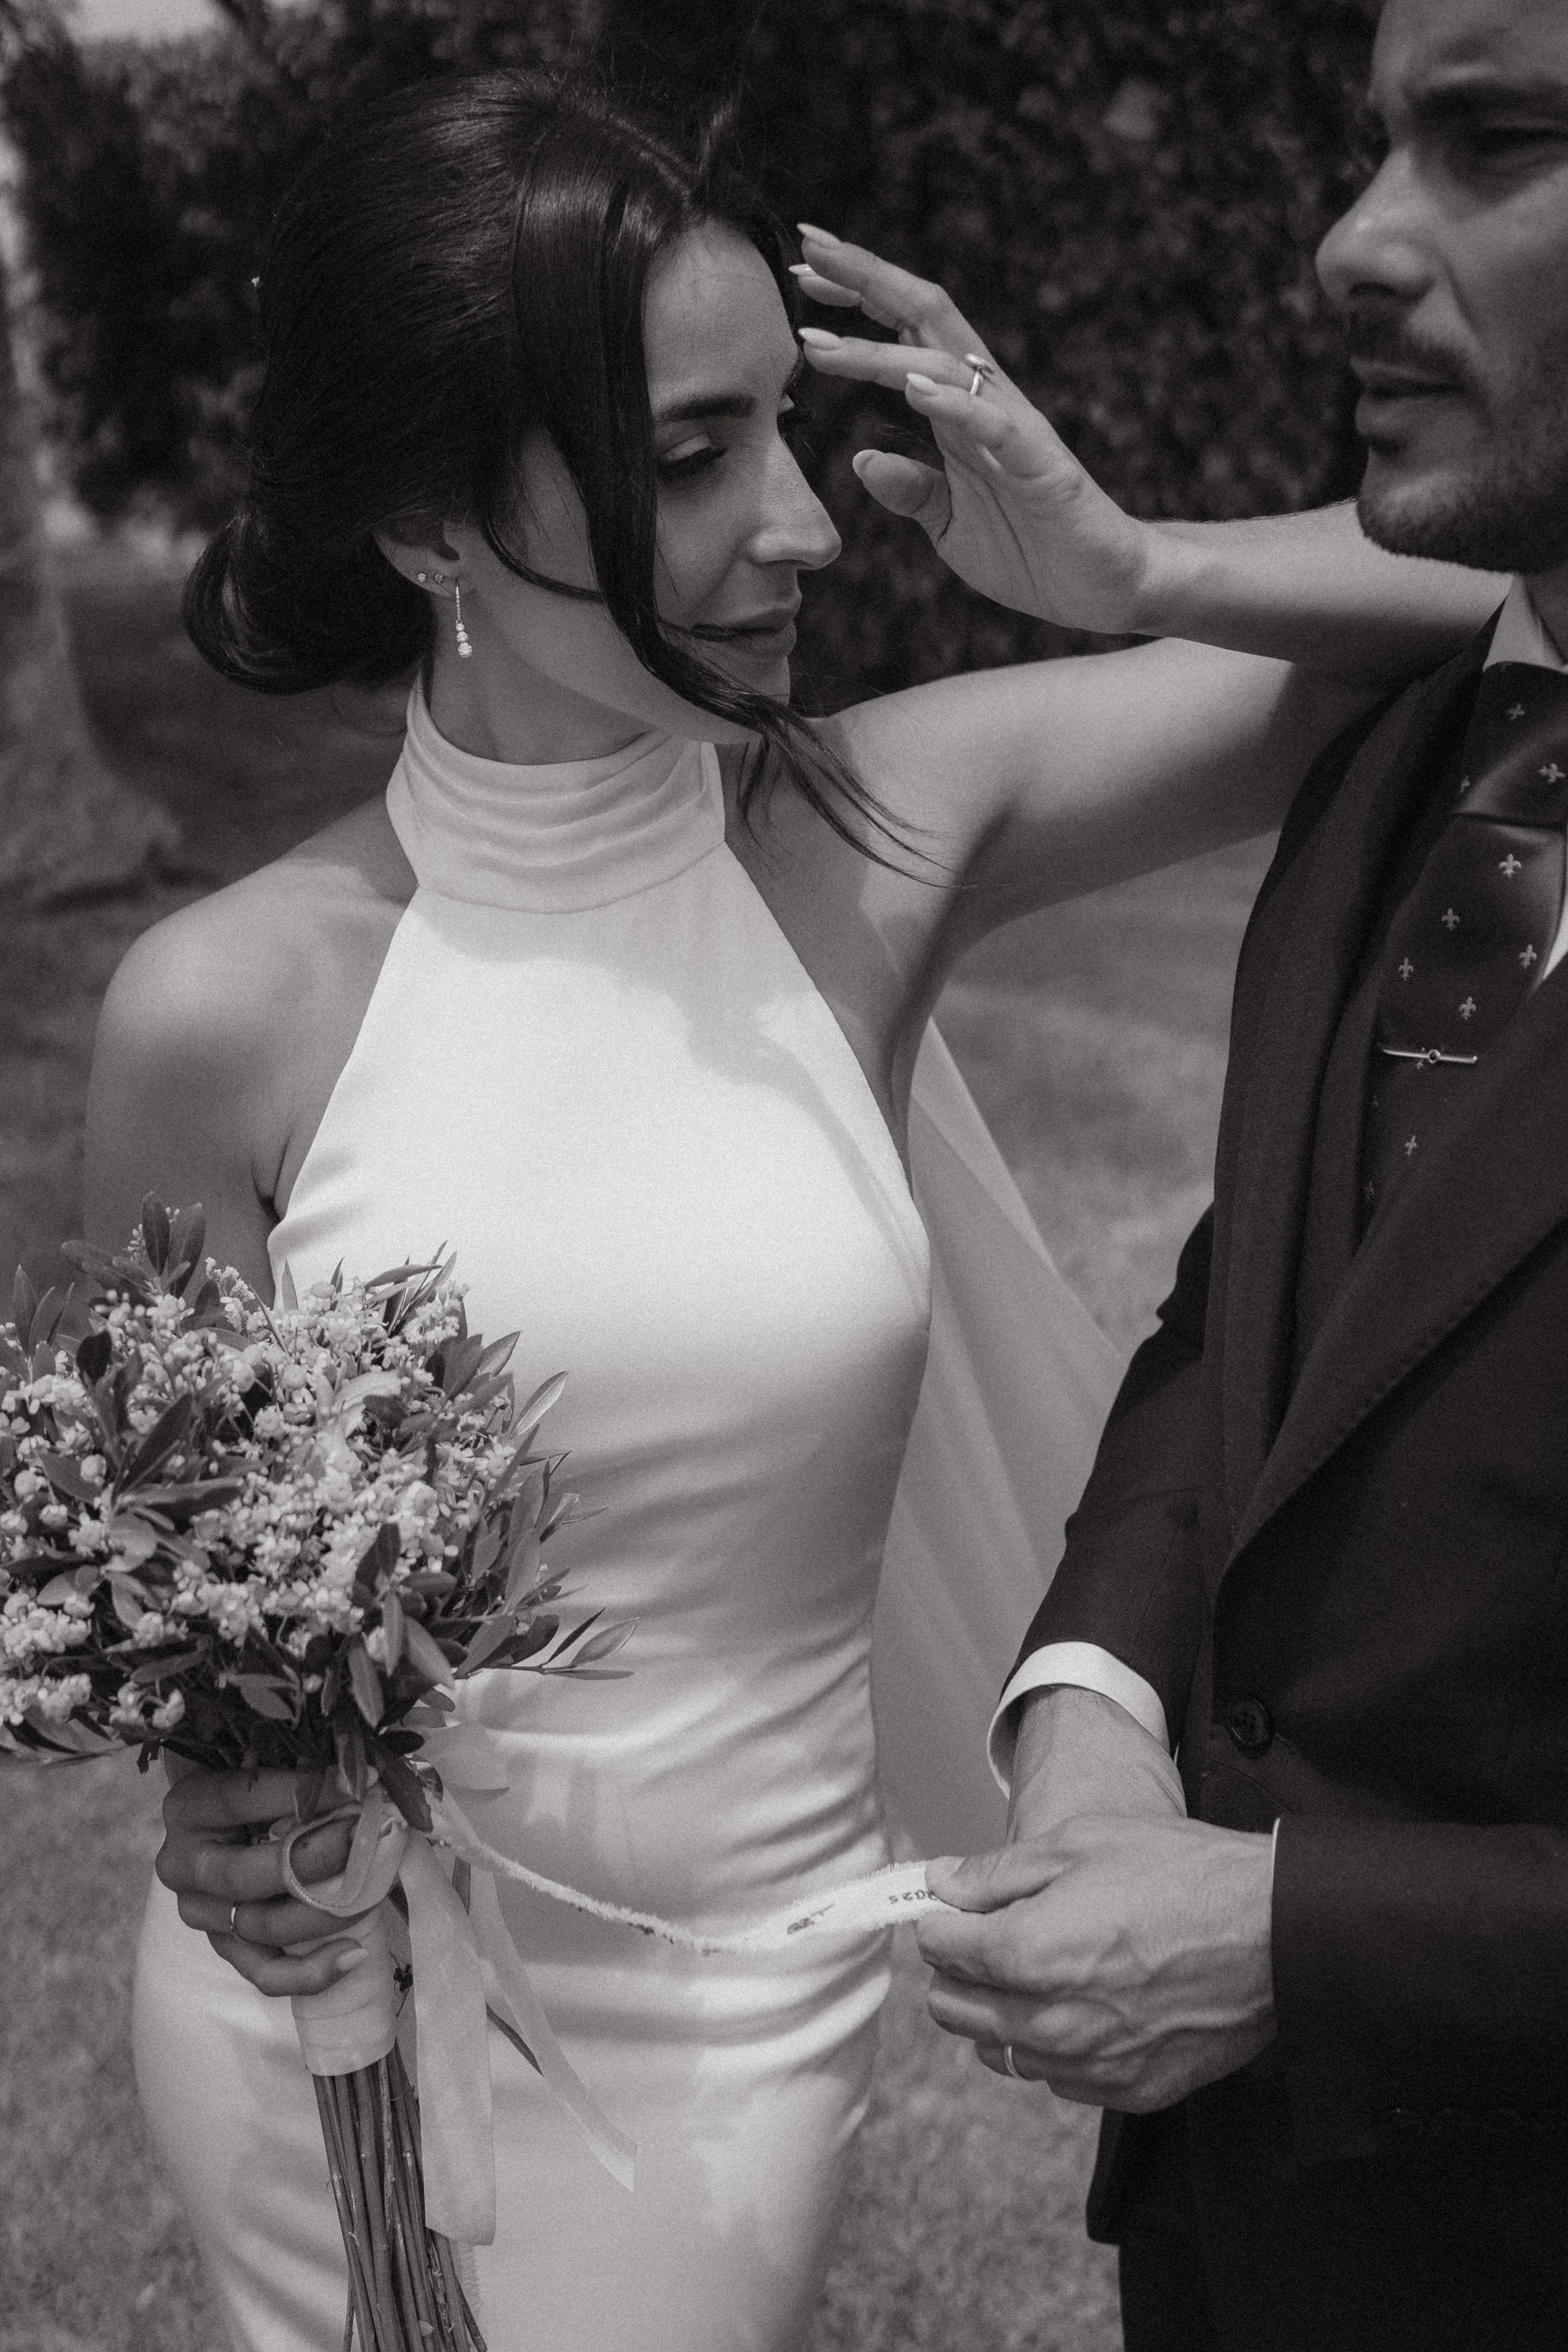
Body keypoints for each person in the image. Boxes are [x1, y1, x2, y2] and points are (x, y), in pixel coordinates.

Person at [92, 68, 1496, 2352]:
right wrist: (223, 1804)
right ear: (435, 513)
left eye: (780, 429)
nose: (802, 529)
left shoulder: (875, 841)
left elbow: (1474, 581)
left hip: (734, 2031)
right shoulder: (215, 1010)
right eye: (683, 458)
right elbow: (180, 1596)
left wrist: (1123, 562)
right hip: (317, 2038)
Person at [876, 1, 1568, 2345]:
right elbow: (1256, 1306)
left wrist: (1290, 1938)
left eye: (1491, 144)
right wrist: (1092, 1693)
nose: (1348, 242)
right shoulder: (1412, 732)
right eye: (1374, 143)